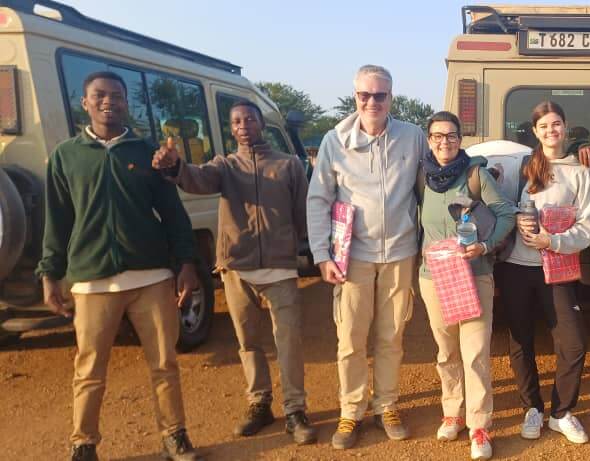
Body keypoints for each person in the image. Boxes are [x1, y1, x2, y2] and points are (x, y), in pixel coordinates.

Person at [36, 71, 202, 461]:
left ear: (127, 103)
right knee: (89, 369)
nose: (108, 101)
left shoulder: (149, 153)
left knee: (164, 362)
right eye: (99, 95)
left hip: (152, 277)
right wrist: (49, 274)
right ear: (85, 102)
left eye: (116, 95)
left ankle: (175, 436)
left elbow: (173, 215)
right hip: (92, 281)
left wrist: (187, 263)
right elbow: (57, 220)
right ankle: (83, 443)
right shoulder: (66, 156)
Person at [152, 100, 316, 445]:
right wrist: (177, 166)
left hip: (280, 269)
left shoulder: (288, 166)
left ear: (261, 124)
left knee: (288, 342)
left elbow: (302, 212)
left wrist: (296, 247)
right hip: (237, 270)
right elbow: (196, 180)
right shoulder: (224, 166)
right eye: (237, 121)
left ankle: (295, 409)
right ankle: (259, 404)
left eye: (250, 119)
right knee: (249, 343)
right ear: (231, 128)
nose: (244, 125)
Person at [306, 65, 427, 449]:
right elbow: (318, 199)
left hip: (401, 253)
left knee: (392, 336)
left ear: (391, 97)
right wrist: (321, 253)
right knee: (350, 338)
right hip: (352, 256)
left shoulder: (412, 137)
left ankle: (386, 405)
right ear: (355, 95)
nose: (372, 102)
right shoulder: (335, 141)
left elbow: (430, 186)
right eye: (364, 95)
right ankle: (351, 411)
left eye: (380, 95)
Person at [494, 101, 590, 445]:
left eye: (556, 124)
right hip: (516, 268)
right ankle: (532, 407)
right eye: (544, 126)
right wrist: (516, 218)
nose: (551, 131)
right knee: (520, 339)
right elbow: (502, 205)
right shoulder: (523, 166)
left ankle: (561, 412)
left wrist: (550, 239)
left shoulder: (581, 172)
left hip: (557, 267)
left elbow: (587, 228)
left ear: (565, 127)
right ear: (535, 132)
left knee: (573, 342)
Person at [416, 111, 516, 460]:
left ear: (461, 139)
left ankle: (479, 425)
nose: (445, 142)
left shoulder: (475, 174)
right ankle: (452, 412)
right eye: (438, 136)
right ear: (429, 140)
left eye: (452, 136)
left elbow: (506, 213)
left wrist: (485, 247)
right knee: (446, 351)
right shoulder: (421, 176)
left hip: (474, 275)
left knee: (474, 353)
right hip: (433, 277)